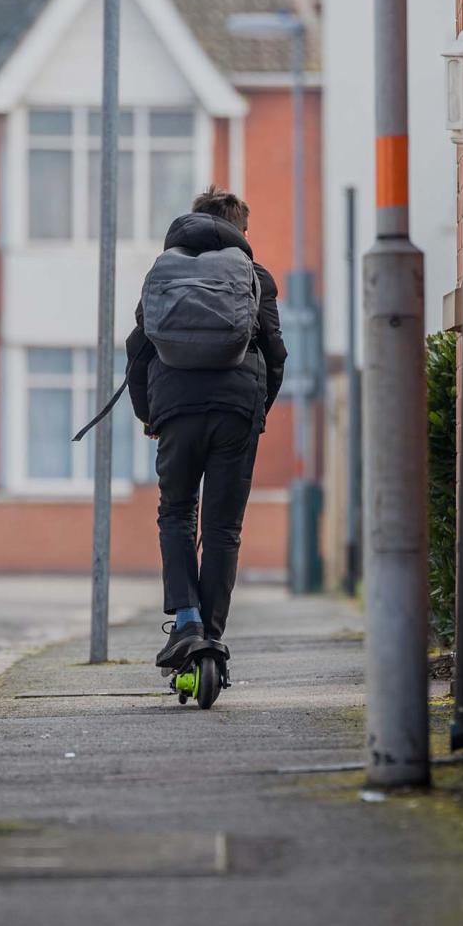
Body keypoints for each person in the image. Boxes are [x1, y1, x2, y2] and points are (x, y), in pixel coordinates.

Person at [126, 186, 287, 671]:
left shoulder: (164, 271)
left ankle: (187, 622)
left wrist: (147, 414)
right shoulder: (254, 275)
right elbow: (275, 353)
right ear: (240, 228)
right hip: (237, 407)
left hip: (174, 406)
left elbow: (138, 349)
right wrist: (257, 410)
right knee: (222, 526)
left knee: (176, 513)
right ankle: (211, 639)